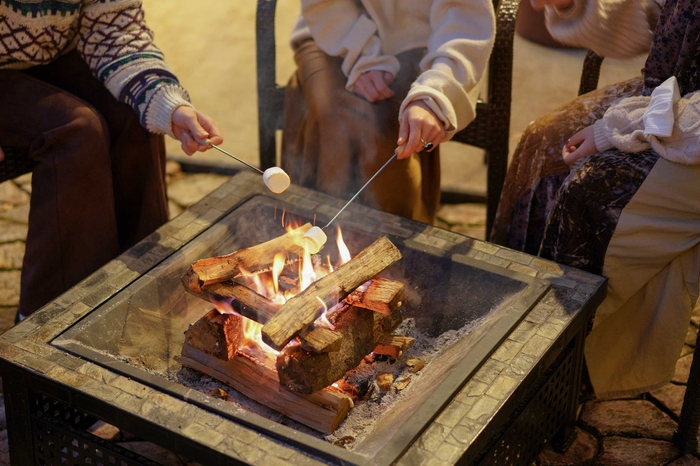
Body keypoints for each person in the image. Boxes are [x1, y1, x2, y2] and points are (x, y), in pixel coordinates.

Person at [491, 0, 700, 398]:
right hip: (673, 94)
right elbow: (655, 16)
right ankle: (507, 316)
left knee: (591, 191)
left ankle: (560, 373)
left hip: (691, 129)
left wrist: (616, 129)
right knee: (543, 145)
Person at [0, 0, 223, 321]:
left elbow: (115, 28)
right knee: (77, 131)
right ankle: (50, 320)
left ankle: (143, 290)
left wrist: (168, 104)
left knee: (136, 113)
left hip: (50, 56)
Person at [281, 0, 495, 224]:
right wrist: (362, 54)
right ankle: (315, 239)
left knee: (388, 134)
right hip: (331, 26)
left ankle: (396, 247)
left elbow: (466, 21)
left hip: (425, 38)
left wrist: (435, 92)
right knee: (333, 118)